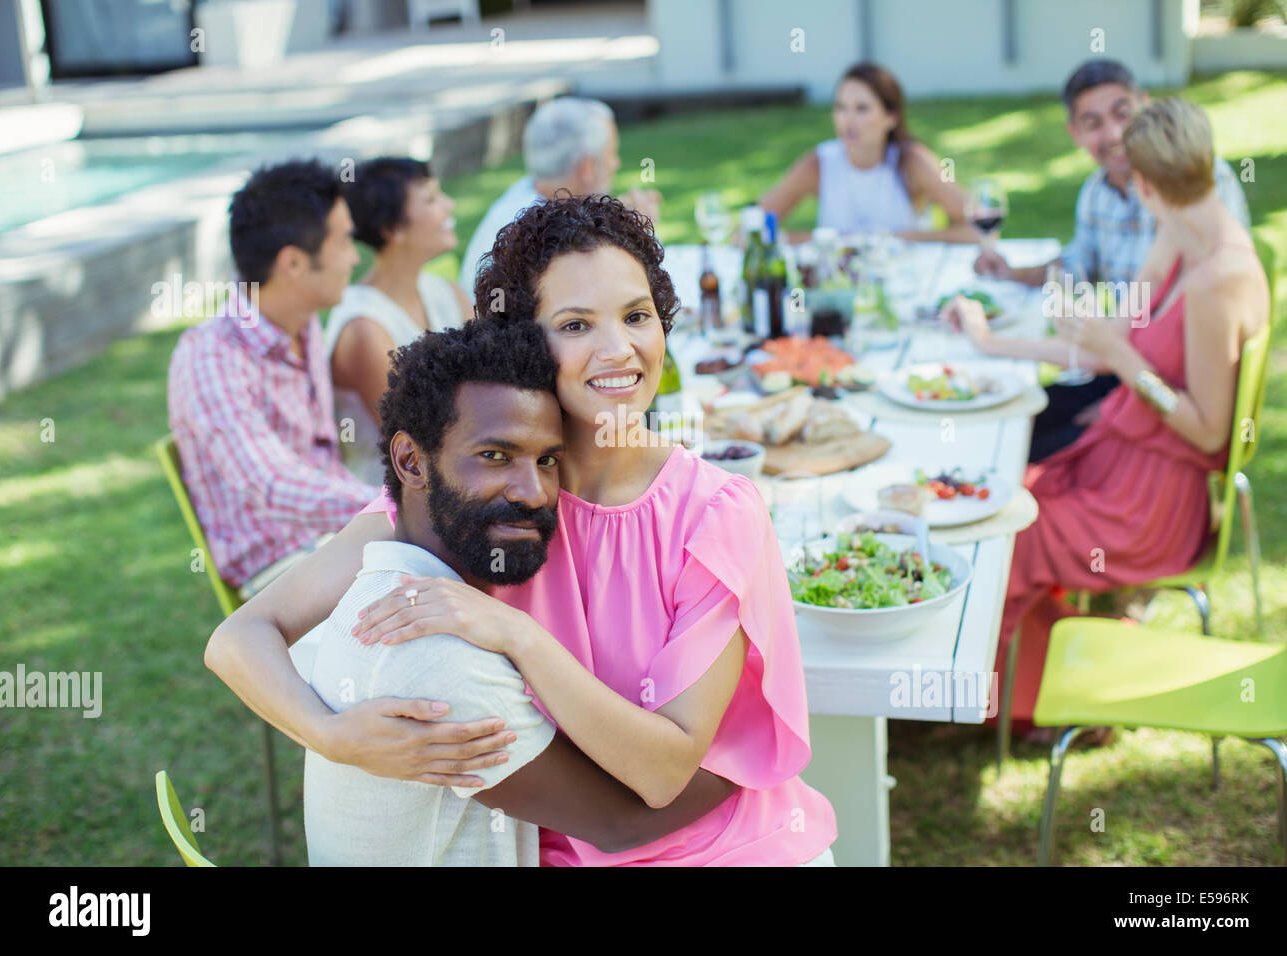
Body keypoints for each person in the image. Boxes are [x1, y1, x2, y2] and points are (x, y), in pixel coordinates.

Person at [206, 195, 837, 866]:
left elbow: (662, 773)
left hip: (722, 848)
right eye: (575, 324)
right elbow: (240, 636)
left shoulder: (715, 517)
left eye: (636, 316)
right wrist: (332, 737)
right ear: (523, 341)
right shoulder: (474, 496)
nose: (618, 349)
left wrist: (515, 633)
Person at [305, 318, 737, 865]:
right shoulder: (435, 655)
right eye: (495, 457)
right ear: (412, 461)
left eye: (547, 460)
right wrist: (743, 767)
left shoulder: (381, 587)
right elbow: (620, 821)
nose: (533, 492)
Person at [942, 98, 1269, 737]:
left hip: (1153, 503)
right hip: (1117, 459)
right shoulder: (1181, 233)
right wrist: (993, 346)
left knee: (1004, 534)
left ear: (1144, 183)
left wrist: (1120, 354)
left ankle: (1016, 698)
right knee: (996, 501)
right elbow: (1106, 339)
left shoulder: (1219, 278)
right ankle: (1018, 677)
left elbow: (1205, 427)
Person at [966, 59, 1251, 462]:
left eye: (1123, 115)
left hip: (1154, 406)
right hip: (1128, 380)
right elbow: (1101, 325)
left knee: (1009, 453)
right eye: (1094, 122)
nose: (1116, 135)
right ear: (1076, 133)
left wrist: (1124, 398)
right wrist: (1000, 316)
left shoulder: (1197, 208)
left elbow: (1188, 390)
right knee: (1001, 428)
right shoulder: (1161, 226)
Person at [167, 159, 377, 598]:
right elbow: (272, 485)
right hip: (279, 573)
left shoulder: (304, 323)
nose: (356, 257)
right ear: (294, 263)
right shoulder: (211, 355)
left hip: (337, 543)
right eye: (344, 241)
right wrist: (391, 507)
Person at [327, 157, 473, 485]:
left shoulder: (446, 292)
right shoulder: (363, 328)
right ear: (393, 229)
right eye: (431, 199)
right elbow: (419, 437)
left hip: (458, 474)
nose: (448, 205)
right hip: (391, 500)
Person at [458, 97, 662, 292]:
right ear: (587, 167)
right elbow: (615, 295)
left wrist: (618, 220)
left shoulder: (525, 199)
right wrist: (638, 236)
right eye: (612, 154)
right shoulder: (543, 236)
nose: (616, 163)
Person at [760, 62, 978, 243]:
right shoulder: (819, 163)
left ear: (891, 117)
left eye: (862, 108)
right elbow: (750, 230)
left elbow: (978, 228)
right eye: (841, 107)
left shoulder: (911, 161)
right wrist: (833, 241)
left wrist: (901, 239)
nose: (848, 120)